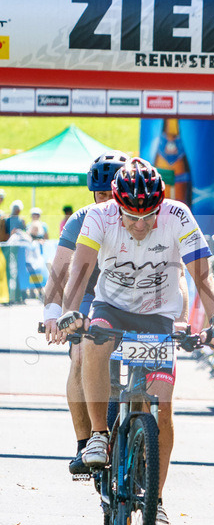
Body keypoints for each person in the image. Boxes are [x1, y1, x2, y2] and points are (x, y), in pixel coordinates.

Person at [56, 158, 214, 525]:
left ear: (161, 206)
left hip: (159, 315)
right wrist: (70, 311)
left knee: (161, 410)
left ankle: (157, 499)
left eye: (148, 216)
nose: (139, 224)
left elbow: (203, 276)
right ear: (116, 205)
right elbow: (80, 270)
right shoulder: (99, 217)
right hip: (112, 307)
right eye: (131, 216)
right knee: (93, 339)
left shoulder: (178, 216)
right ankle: (99, 434)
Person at [43, 151, 128, 474]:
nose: (107, 200)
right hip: (89, 294)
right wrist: (54, 312)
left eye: (113, 194)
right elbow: (60, 270)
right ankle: (84, 444)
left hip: (127, 294)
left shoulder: (142, 216)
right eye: (101, 194)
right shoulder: (82, 219)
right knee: (80, 356)